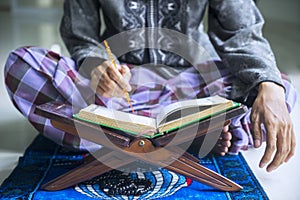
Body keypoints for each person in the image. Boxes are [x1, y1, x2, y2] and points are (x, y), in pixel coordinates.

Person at [4, 0, 297, 173]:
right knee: (23, 65)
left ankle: (122, 137)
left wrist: (269, 87)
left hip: (194, 82)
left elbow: (242, 35)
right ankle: (188, 136)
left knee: (280, 88)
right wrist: (97, 68)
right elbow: (80, 36)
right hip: (122, 89)